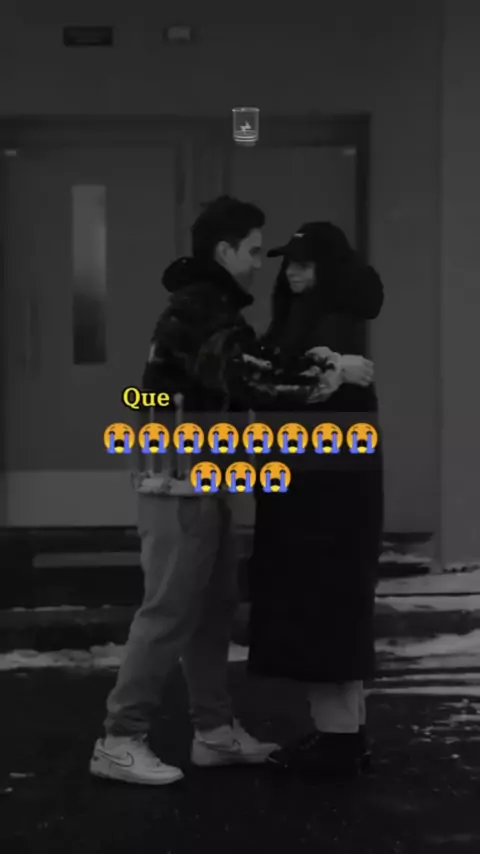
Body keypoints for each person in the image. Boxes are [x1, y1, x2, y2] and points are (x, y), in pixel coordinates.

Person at [89, 198, 359, 786]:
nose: (262, 263)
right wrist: (334, 373)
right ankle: (119, 738)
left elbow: (230, 377)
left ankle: (212, 732)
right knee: (168, 610)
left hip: (204, 478)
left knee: (212, 608)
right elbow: (248, 375)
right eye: (254, 251)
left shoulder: (214, 309)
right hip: (177, 481)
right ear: (224, 251)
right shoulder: (199, 309)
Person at [247, 222, 384, 777]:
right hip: (329, 488)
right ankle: (344, 736)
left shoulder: (327, 325)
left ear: (329, 268)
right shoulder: (328, 318)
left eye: (305, 262)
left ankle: (339, 741)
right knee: (335, 608)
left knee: (322, 606)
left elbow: (293, 394)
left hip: (321, 495)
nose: (292, 272)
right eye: (289, 263)